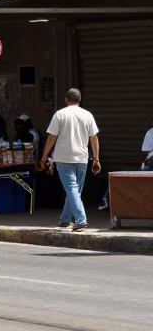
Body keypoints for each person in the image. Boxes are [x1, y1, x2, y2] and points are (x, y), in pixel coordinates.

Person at [39, 88, 100, 232]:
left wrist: (44, 156)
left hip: (63, 158)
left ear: (66, 100)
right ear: (80, 100)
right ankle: (65, 218)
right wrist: (96, 159)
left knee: (72, 189)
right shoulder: (87, 115)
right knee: (74, 190)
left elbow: (52, 137)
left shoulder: (60, 114)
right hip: (82, 158)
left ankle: (81, 220)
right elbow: (94, 138)